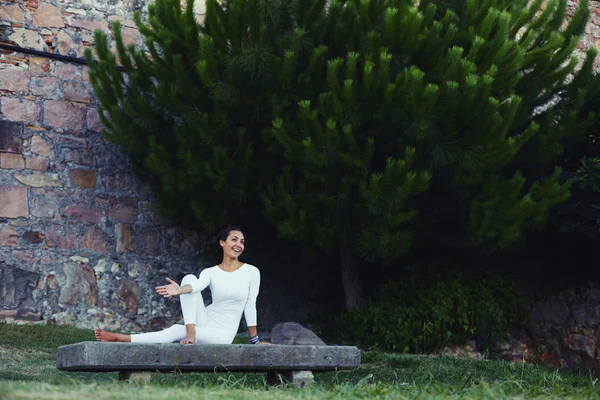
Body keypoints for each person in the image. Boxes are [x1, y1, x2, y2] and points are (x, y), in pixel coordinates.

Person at [95, 225, 266, 345]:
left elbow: (250, 306)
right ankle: (191, 332)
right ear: (222, 242)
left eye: (242, 242)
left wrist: (254, 339)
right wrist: (180, 290)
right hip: (205, 319)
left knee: (177, 330)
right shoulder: (210, 272)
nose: (238, 245)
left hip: (223, 332)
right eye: (234, 240)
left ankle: (121, 338)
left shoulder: (251, 272)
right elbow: (197, 286)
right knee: (190, 278)